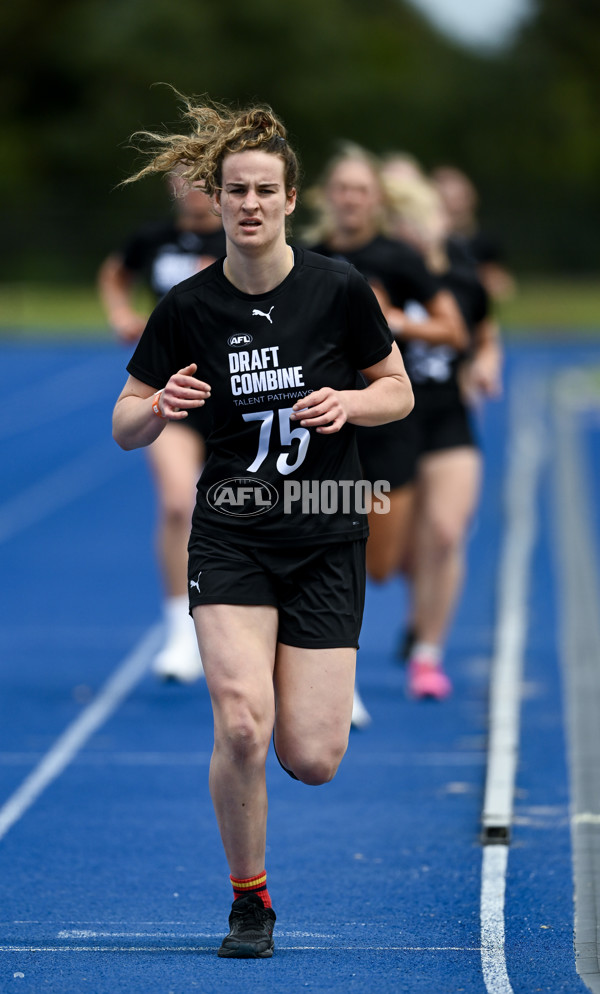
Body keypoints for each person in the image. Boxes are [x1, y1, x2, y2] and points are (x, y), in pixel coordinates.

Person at [112, 93, 414, 958]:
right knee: (241, 722)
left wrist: (352, 404)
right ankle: (250, 900)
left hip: (324, 526)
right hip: (233, 530)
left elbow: (399, 389)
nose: (247, 205)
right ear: (217, 200)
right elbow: (124, 424)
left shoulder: (338, 288)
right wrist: (160, 403)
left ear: (289, 200)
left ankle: (289, 679)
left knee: (312, 755)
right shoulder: (188, 307)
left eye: (262, 191)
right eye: (233, 191)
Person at [305, 144, 469, 705]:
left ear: (376, 200)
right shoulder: (305, 255)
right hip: (325, 425)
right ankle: (330, 678)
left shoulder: (399, 258)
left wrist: (391, 320)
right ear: (327, 196)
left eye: (361, 190)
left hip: (390, 424)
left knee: (379, 564)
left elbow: (453, 330)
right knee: (327, 544)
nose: (350, 199)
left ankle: (417, 635)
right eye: (342, 188)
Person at [99, 176, 225, 683]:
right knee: (178, 503)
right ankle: (180, 631)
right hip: (173, 390)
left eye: (204, 180)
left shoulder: (241, 238)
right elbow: (115, 273)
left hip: (238, 396)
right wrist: (120, 313)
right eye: (185, 179)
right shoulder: (153, 239)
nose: (194, 189)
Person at [383, 173, 502, 698]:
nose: (417, 229)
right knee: (398, 555)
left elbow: (484, 337)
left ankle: (429, 654)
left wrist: (486, 367)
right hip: (390, 423)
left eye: (425, 219)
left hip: (448, 419)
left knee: (447, 532)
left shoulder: (463, 282)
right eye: (406, 220)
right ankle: (416, 613)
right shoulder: (373, 280)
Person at [430, 165, 516, 303]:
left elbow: (502, 287)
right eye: (447, 200)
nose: (455, 206)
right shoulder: (429, 244)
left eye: (459, 198)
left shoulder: (484, 242)